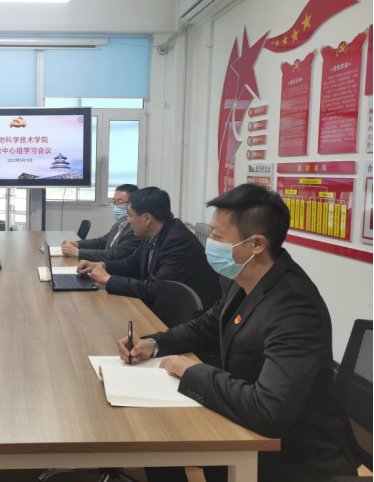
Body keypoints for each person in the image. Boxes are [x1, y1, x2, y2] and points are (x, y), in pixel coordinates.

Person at [118, 184, 358, 482]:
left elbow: (268, 410)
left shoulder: (295, 307)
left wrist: (192, 371)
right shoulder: (243, 278)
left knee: (159, 436)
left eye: (218, 237)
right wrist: (153, 343)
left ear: (256, 244)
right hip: (241, 424)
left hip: (290, 459)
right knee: (154, 434)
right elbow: (204, 326)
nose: (210, 244)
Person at [78, 187, 221, 309]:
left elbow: (157, 289)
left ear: (147, 219)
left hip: (184, 316)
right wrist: (100, 265)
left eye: (130, 215)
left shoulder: (178, 241)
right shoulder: (154, 233)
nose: (129, 220)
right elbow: (132, 263)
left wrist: (108, 279)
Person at [60, 184, 144, 262]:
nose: (116, 207)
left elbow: (113, 254)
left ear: (132, 204)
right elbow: (102, 242)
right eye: (114, 202)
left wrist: (77, 252)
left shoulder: (135, 230)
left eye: (120, 202)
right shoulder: (119, 224)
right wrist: (77, 244)